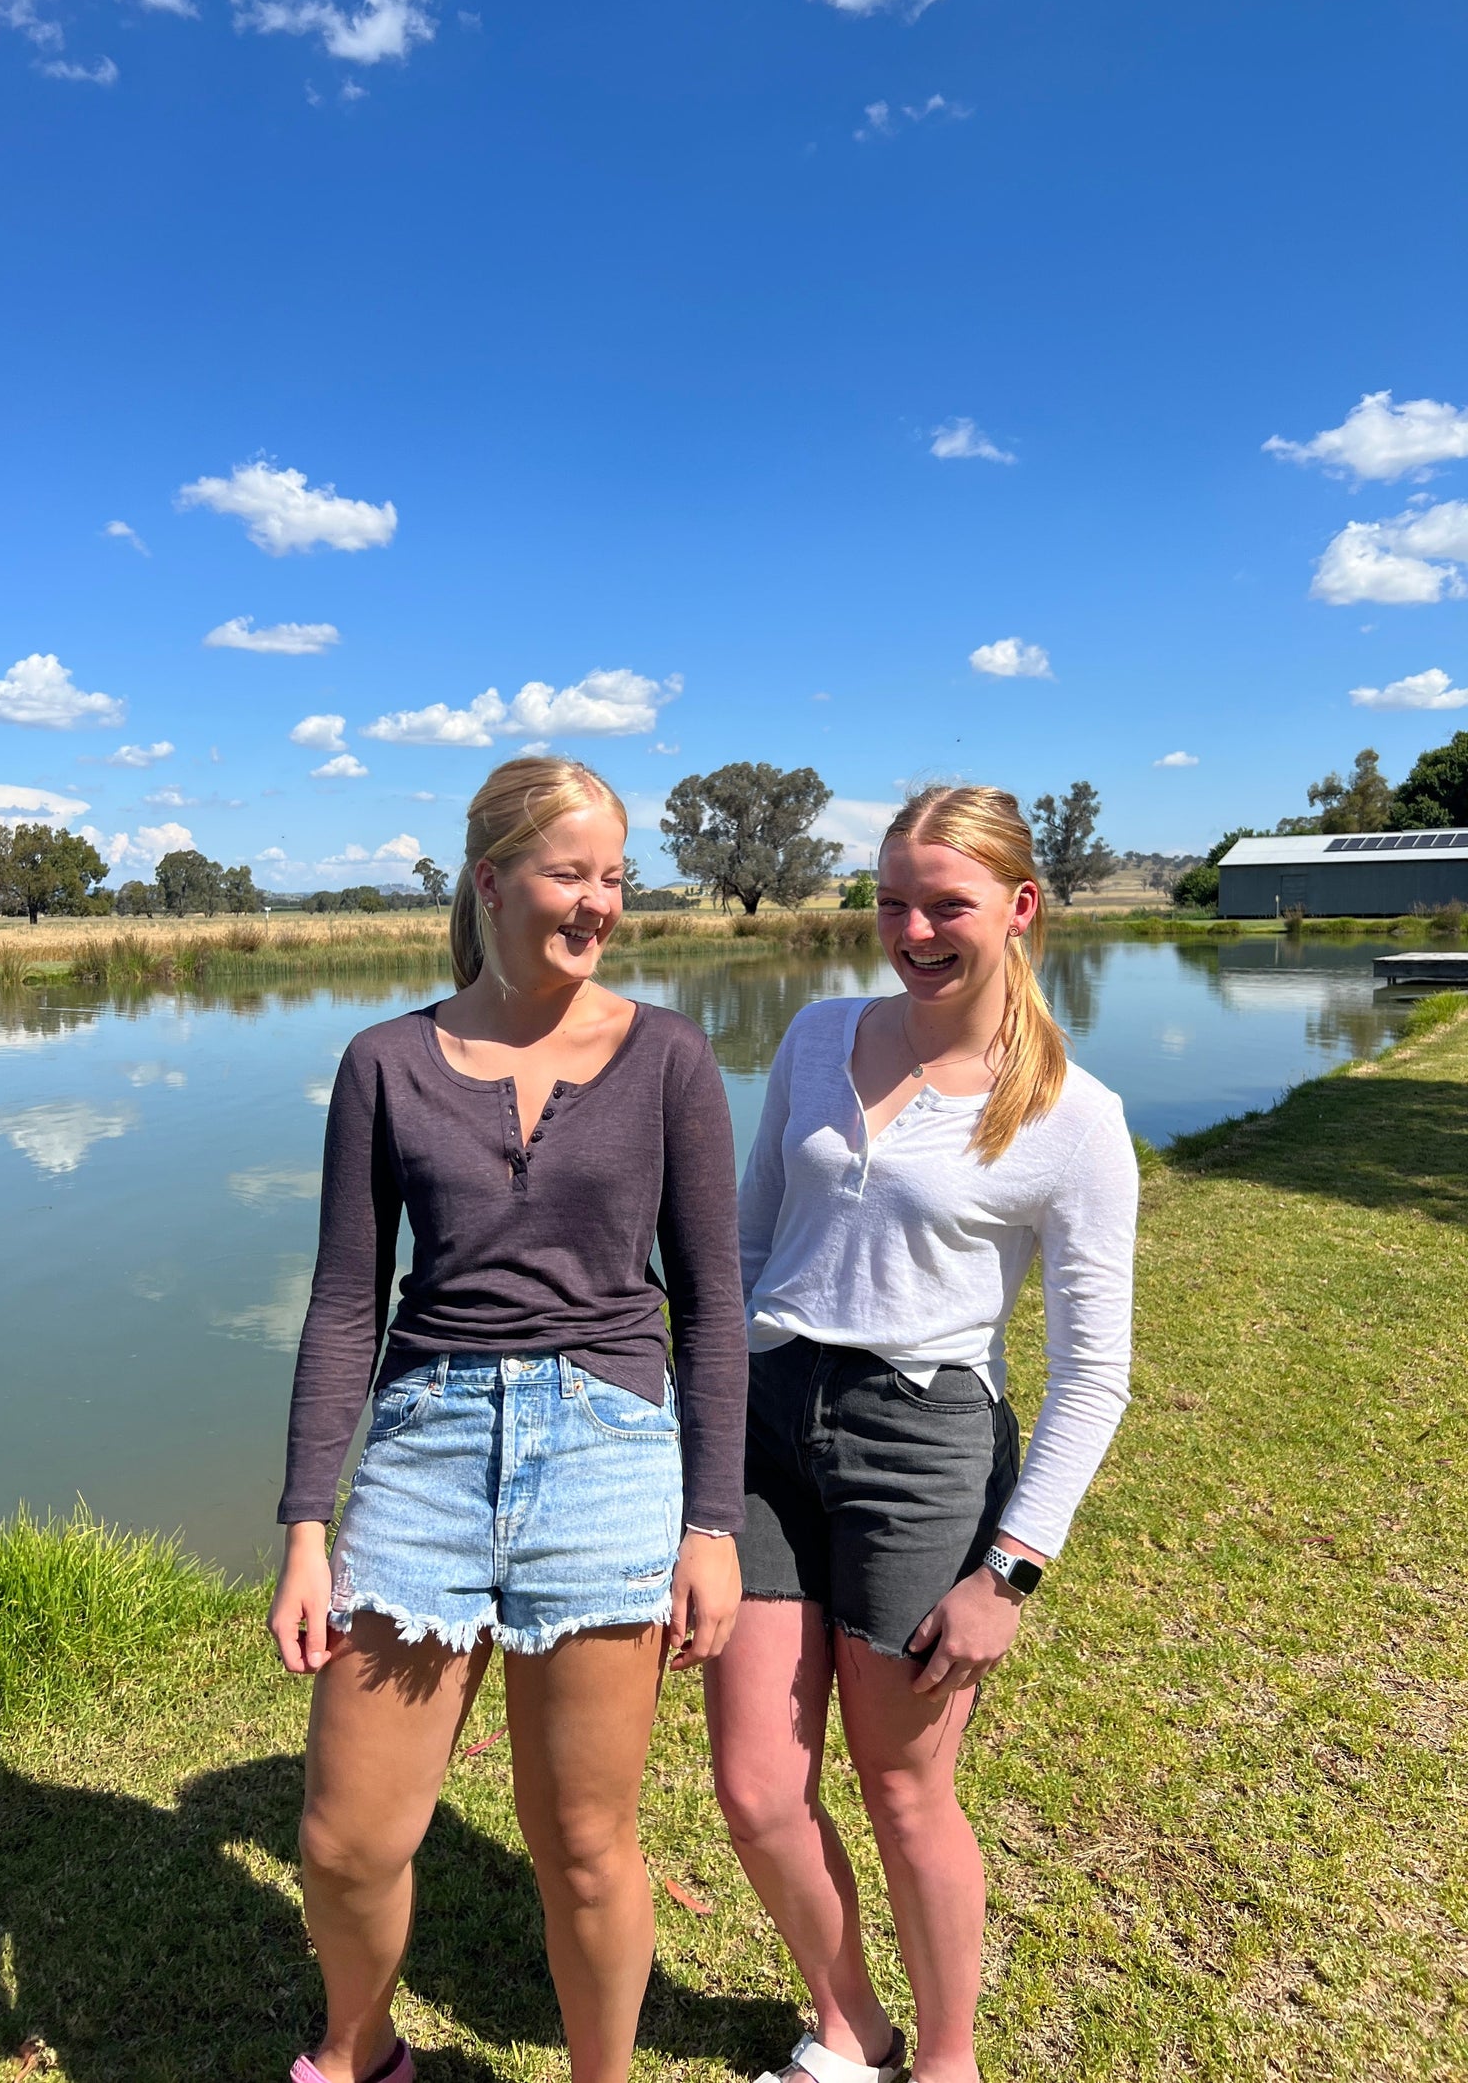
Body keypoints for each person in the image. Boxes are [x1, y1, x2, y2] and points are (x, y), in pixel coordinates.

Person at [268, 755, 748, 2083]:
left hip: (605, 1452)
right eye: (570, 873)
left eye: (615, 878)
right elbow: (346, 1304)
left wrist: (712, 1524)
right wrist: (309, 1524)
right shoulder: (383, 1062)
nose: (599, 904)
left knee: (585, 1842)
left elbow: (711, 1309)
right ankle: (359, 2054)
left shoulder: (672, 1058)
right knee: (344, 1838)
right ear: (489, 880)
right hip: (422, 1452)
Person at [706, 784, 1139, 2083]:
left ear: (1018, 908)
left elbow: (1095, 1374)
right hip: (771, 1425)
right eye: (893, 900)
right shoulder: (815, 1034)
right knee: (757, 1787)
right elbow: (741, 1248)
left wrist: (1009, 1569)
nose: (912, 927)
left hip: (922, 1447)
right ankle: (852, 2026)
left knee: (903, 1790)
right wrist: (702, 1450)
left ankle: (945, 2061)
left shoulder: (1075, 1114)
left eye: (946, 903)